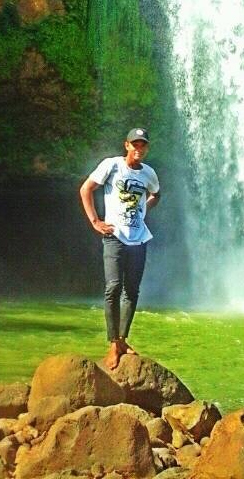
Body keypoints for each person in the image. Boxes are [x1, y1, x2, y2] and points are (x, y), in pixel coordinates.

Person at [79, 127, 161, 369]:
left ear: (146, 148)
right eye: (135, 144)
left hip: (139, 238)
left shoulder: (149, 174)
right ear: (126, 145)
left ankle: (122, 339)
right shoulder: (112, 166)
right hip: (114, 236)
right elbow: (86, 189)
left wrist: (144, 210)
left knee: (132, 291)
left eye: (142, 144)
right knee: (113, 287)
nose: (138, 148)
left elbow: (156, 194)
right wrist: (95, 221)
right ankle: (113, 343)